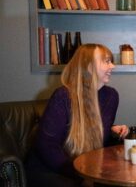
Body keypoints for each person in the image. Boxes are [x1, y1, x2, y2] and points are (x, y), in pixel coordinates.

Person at [26, 44, 128, 187]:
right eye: (106, 61)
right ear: (88, 65)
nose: (113, 66)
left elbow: (99, 144)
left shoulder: (111, 97)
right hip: (53, 171)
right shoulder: (63, 96)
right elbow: (46, 146)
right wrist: (80, 174)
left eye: (111, 61)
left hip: (87, 170)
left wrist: (113, 132)